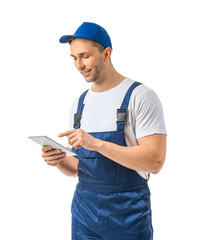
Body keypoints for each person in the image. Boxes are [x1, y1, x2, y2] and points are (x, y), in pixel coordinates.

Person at [41, 22, 167, 240]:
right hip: (84, 212)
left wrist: (95, 143)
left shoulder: (140, 96)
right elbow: (80, 168)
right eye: (74, 58)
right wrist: (59, 159)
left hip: (127, 213)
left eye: (85, 56)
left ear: (106, 53)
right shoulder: (79, 104)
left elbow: (154, 161)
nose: (79, 64)